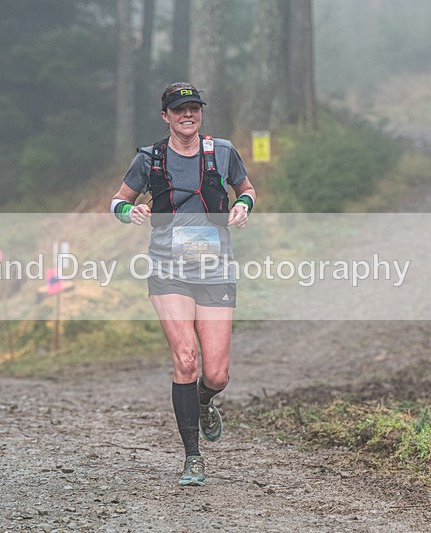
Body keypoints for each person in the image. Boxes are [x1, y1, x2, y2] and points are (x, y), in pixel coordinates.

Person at [110, 82, 256, 486]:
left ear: (201, 113)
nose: (187, 115)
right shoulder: (150, 159)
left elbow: (246, 190)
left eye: (194, 108)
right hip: (168, 269)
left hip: (215, 270)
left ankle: (203, 401)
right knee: (186, 359)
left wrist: (243, 206)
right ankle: (193, 457)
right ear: (166, 116)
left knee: (218, 374)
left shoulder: (222, 152)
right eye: (179, 110)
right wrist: (129, 212)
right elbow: (117, 201)